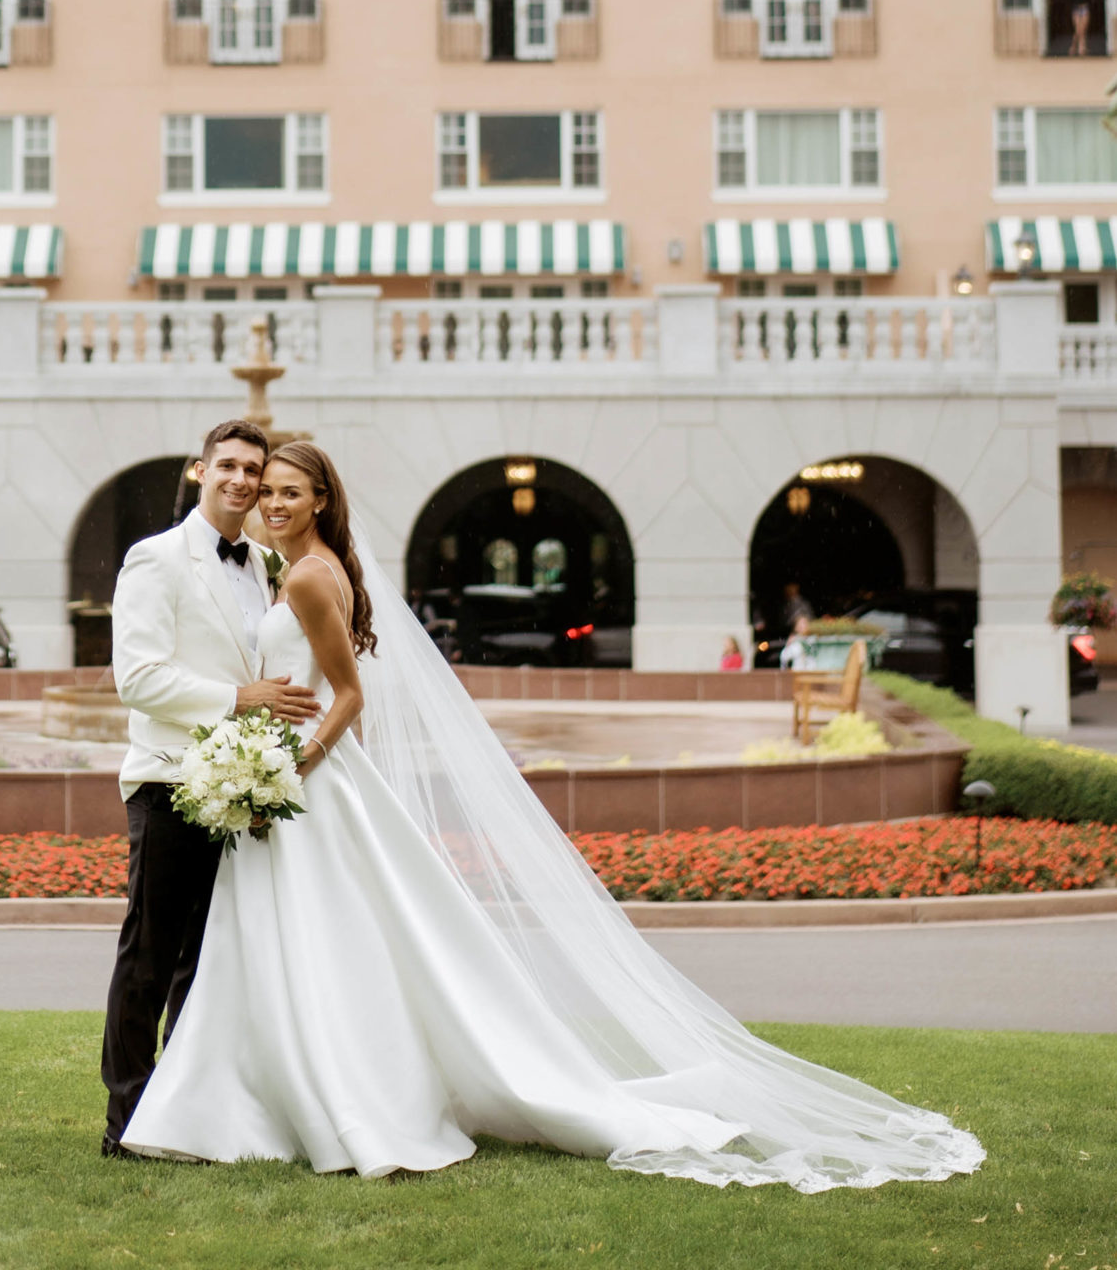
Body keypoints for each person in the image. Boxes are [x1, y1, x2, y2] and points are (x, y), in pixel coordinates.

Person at [119, 439, 982, 1191]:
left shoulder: (308, 574)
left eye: (283, 492)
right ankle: (259, 1097)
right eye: (259, 489)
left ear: (321, 502)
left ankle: (302, 1101)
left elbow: (347, 696)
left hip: (308, 787)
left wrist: (290, 769)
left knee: (310, 942)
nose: (268, 501)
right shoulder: (289, 568)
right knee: (294, 944)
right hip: (293, 790)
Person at [98, 419, 319, 1156]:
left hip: (243, 788)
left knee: (209, 962)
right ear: (200, 471)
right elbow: (138, 678)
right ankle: (124, 1122)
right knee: (150, 958)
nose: (242, 480)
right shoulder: (155, 560)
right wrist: (239, 699)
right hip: (169, 781)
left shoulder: (266, 563)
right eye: (227, 465)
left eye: (253, 469)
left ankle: (184, 1117)